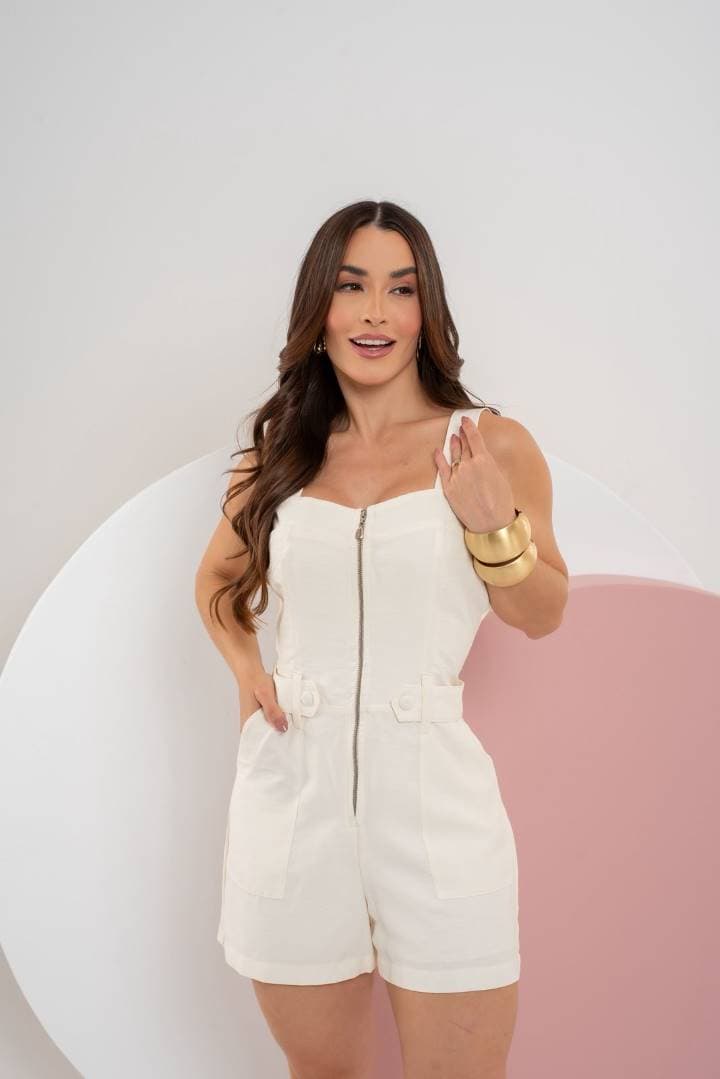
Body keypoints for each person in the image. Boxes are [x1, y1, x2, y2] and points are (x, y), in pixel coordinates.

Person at [195, 199, 569, 1079]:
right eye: (351, 286)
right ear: (317, 311)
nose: (375, 313)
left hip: (435, 802)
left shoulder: (488, 445)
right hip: (295, 798)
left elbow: (542, 611)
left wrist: (493, 525)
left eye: (400, 289)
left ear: (426, 310)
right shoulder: (280, 453)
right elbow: (216, 582)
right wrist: (248, 667)